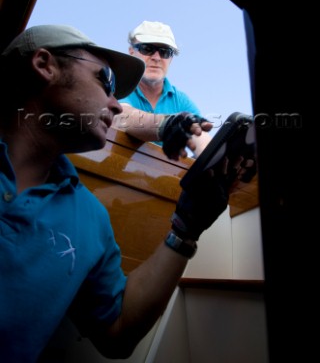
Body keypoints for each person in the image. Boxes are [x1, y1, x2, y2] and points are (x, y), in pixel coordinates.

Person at [0, 24, 251, 362]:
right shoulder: (120, 111)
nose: (114, 105)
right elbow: (129, 118)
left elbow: (117, 333)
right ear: (44, 65)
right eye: (104, 80)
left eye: (166, 51)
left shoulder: (89, 219)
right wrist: (164, 125)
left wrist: (187, 228)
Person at [114, 20, 213, 160]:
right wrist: (166, 124)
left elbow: (200, 138)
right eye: (147, 49)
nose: (156, 57)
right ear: (131, 52)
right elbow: (121, 116)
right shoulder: (119, 85)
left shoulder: (181, 100)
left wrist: (214, 158)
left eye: (165, 52)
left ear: (171, 58)